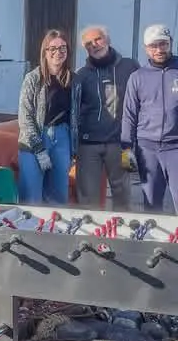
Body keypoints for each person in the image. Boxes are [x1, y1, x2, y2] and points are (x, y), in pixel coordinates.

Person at [74, 25, 139, 209]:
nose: (94, 45)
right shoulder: (81, 75)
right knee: (88, 198)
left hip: (120, 144)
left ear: (107, 39)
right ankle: (91, 236)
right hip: (88, 146)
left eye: (98, 39)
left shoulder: (130, 66)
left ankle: (121, 235)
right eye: (88, 43)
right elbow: (74, 110)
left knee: (123, 196)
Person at [18, 29, 78, 205]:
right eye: (52, 48)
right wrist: (38, 148)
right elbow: (25, 116)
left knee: (58, 197)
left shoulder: (73, 80)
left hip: (62, 137)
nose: (57, 52)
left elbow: (77, 116)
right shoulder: (33, 79)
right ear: (45, 51)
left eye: (62, 48)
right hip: (35, 139)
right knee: (32, 197)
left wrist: (74, 149)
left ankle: (55, 232)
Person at [122, 24, 178, 212]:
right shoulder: (137, 77)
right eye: (154, 46)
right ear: (146, 48)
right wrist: (126, 149)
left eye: (163, 44)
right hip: (147, 149)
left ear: (170, 43)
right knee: (151, 204)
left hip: (175, 148)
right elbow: (129, 114)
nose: (159, 50)